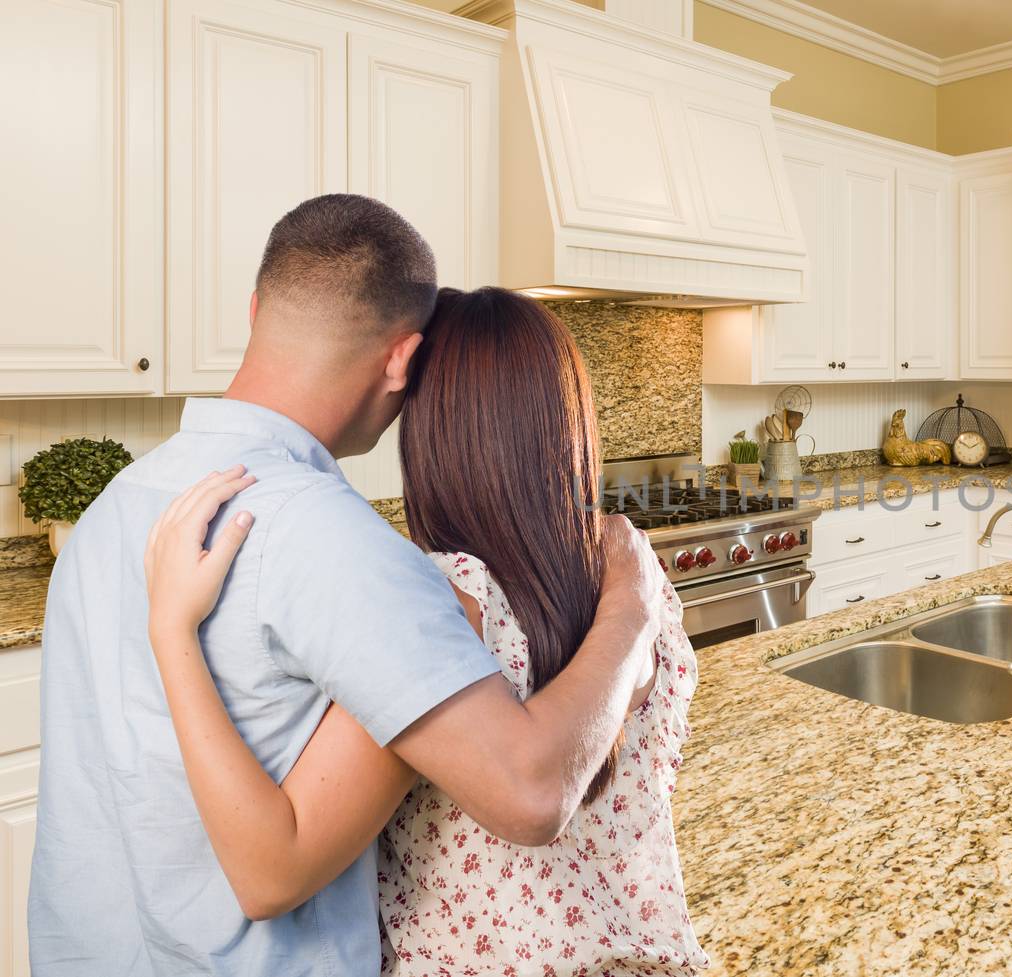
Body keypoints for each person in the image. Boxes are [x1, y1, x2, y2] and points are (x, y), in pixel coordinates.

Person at [29, 195, 663, 976]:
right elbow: (531, 794)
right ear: (402, 360)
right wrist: (632, 605)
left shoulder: (112, 508)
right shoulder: (339, 544)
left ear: (257, 307)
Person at [140, 287, 708, 975]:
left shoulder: (447, 603)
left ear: (433, 434)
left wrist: (171, 628)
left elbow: (272, 868)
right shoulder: (637, 581)